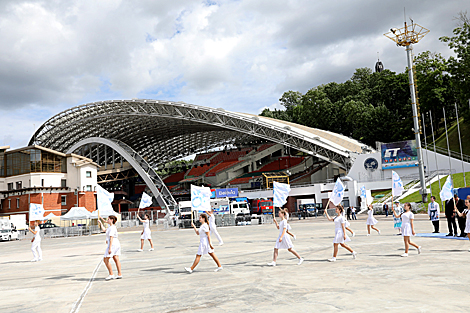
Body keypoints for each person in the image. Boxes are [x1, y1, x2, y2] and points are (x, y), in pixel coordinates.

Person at [98, 213, 122, 280]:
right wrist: (101, 223)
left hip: (113, 243)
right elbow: (104, 230)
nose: (107, 220)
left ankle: (111, 274)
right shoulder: (111, 227)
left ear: (111, 220)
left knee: (106, 259)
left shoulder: (112, 228)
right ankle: (119, 274)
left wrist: (110, 248)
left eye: (108, 219)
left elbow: (111, 238)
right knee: (116, 258)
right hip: (116, 243)